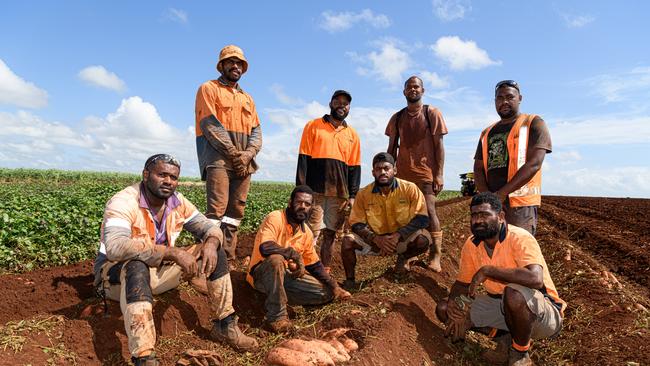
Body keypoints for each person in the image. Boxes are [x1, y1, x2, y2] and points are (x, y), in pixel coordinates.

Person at [93, 154, 258, 366]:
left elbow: (210, 227)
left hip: (157, 273)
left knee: (214, 250)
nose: (168, 181)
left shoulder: (176, 201)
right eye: (162, 175)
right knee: (136, 265)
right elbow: (115, 247)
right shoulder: (124, 201)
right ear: (146, 175)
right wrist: (172, 253)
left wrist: (209, 243)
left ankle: (224, 325)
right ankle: (144, 357)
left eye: (173, 177)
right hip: (115, 279)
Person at [435, 192, 565, 366]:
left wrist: (489, 271)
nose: (478, 220)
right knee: (444, 309)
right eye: (474, 215)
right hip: (503, 307)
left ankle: (520, 353)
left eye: (484, 215)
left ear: (501, 216)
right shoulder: (472, 244)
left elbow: (535, 279)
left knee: (513, 293)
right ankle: (505, 338)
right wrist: (454, 305)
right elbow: (462, 283)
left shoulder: (520, 238)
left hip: (542, 312)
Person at [247, 185, 351, 332]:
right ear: (290, 203)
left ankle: (278, 299)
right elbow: (265, 248)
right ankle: (276, 317)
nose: (303, 207)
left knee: (326, 293)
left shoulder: (306, 233)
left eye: (307, 204)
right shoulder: (276, 218)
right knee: (276, 260)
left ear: (311, 208)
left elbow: (314, 265)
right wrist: (291, 253)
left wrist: (335, 287)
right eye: (299, 202)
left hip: (285, 278)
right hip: (261, 276)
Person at [195, 44, 263, 266]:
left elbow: (257, 131)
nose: (235, 66)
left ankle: (228, 258)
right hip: (218, 160)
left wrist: (247, 155)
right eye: (231, 62)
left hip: (243, 162)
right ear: (221, 65)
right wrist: (236, 154)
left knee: (235, 211)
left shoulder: (248, 98)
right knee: (216, 211)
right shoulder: (208, 88)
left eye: (239, 63)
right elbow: (210, 125)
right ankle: (208, 260)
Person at [340, 152, 431, 289]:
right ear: (373, 172)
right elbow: (356, 223)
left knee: (423, 240)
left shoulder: (409, 189)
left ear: (394, 170)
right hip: (375, 242)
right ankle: (350, 281)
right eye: (378, 169)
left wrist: (398, 236)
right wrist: (375, 239)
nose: (382, 172)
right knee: (347, 241)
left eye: (386, 168)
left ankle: (403, 258)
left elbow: (422, 218)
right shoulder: (363, 194)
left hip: (401, 240)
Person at [386, 76, 448, 272]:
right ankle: (405, 257)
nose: (413, 90)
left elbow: (439, 146)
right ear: (404, 92)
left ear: (423, 90)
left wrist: (439, 174)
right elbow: (391, 148)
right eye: (409, 87)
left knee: (430, 212)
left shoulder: (432, 113)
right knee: (405, 216)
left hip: (425, 173)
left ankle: (436, 254)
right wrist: (388, 172)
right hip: (403, 175)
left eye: (416, 87)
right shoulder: (397, 118)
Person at [473, 80, 552, 236]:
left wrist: (501, 194)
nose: (504, 102)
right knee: (493, 251)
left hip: (520, 204)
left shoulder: (533, 123)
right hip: (493, 205)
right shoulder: (487, 132)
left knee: (519, 250)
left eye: (510, 97)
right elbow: (478, 168)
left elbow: (534, 163)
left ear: (520, 98)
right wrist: (489, 198)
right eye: (500, 98)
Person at [296, 90, 361, 271]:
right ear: (331, 104)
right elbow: (303, 159)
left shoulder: (352, 135)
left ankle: (325, 270)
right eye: (338, 101)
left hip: (339, 194)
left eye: (346, 103)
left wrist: (353, 195)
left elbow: (354, 167)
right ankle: (304, 269)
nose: (342, 105)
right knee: (310, 232)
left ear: (349, 108)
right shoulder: (313, 126)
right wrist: (301, 189)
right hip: (315, 190)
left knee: (330, 234)